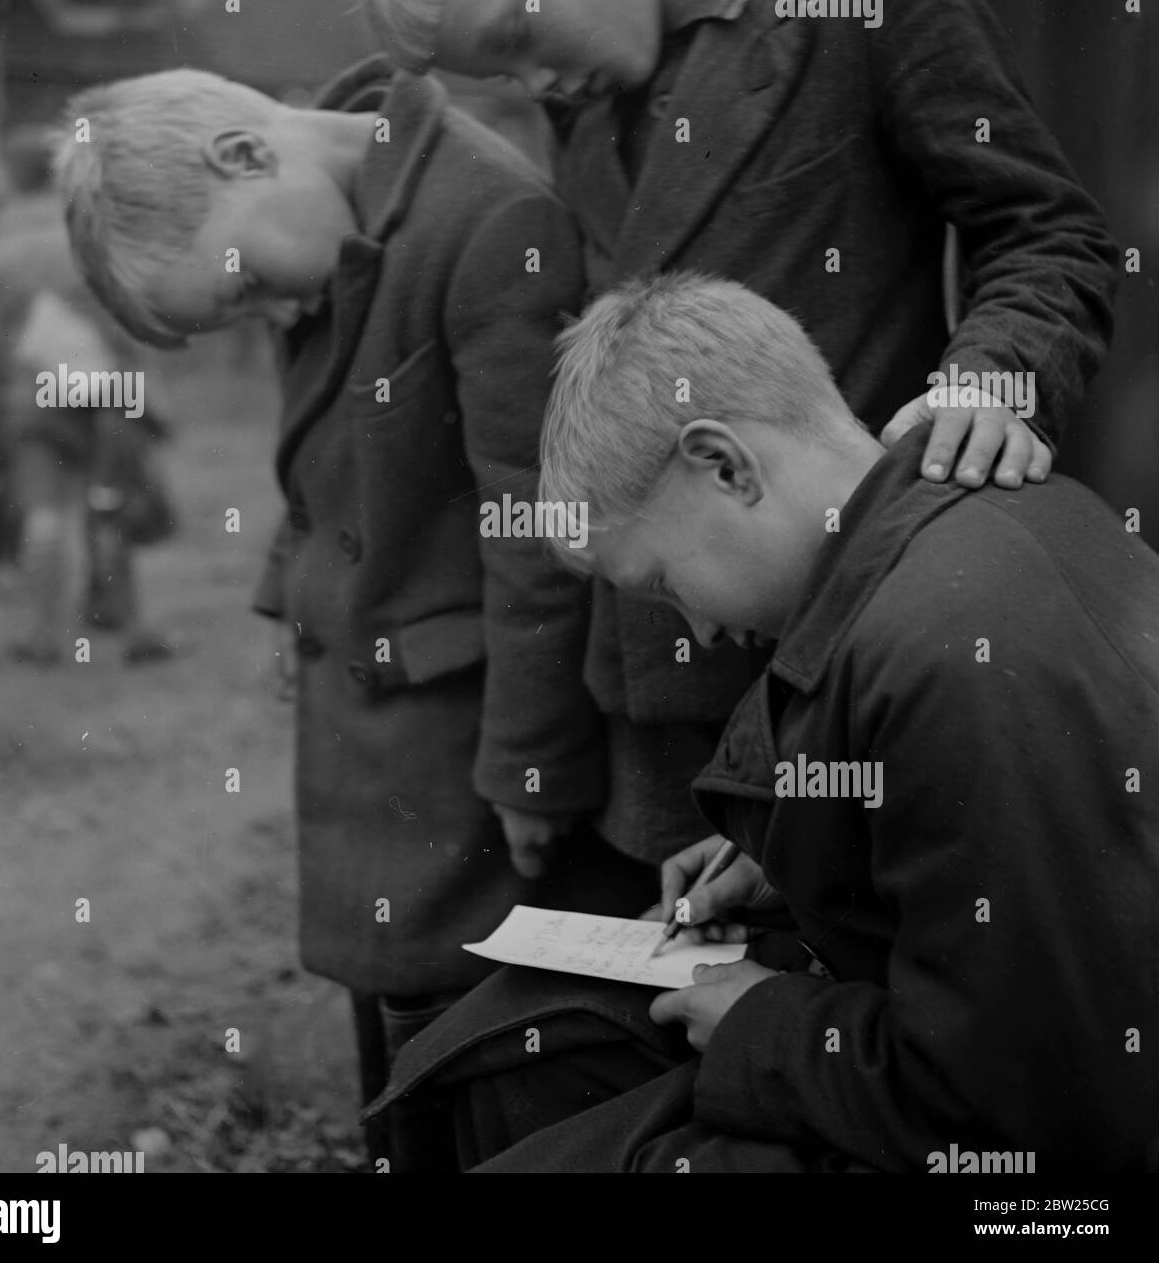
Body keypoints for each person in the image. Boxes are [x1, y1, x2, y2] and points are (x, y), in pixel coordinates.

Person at [355, 0, 1119, 871]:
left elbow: (1045, 232)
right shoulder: (584, 123)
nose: (533, 83)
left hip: (833, 673)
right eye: (500, 74)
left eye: (514, 36)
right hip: (644, 706)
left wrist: (991, 377)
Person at [366, 273, 1159, 1173]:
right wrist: (798, 850)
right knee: (513, 1047)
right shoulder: (958, 535)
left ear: (727, 466)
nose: (697, 629)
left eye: (663, 584)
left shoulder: (947, 659)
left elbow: (1023, 1109)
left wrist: (760, 1023)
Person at [55, 61, 652, 1168]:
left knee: (484, 1036)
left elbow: (536, 523)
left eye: (238, 292)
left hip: (468, 739)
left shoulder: (486, 219)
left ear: (243, 156)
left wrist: (530, 766)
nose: (271, 315)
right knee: (393, 1022)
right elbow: (321, 467)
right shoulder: (320, 227)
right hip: (378, 730)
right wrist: (290, 592)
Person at [0, 139, 177, 665]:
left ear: (11, 182)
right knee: (112, 500)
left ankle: (43, 637)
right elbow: (142, 318)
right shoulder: (96, 237)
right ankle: (134, 631)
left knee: (45, 512)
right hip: (111, 388)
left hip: (37, 389)